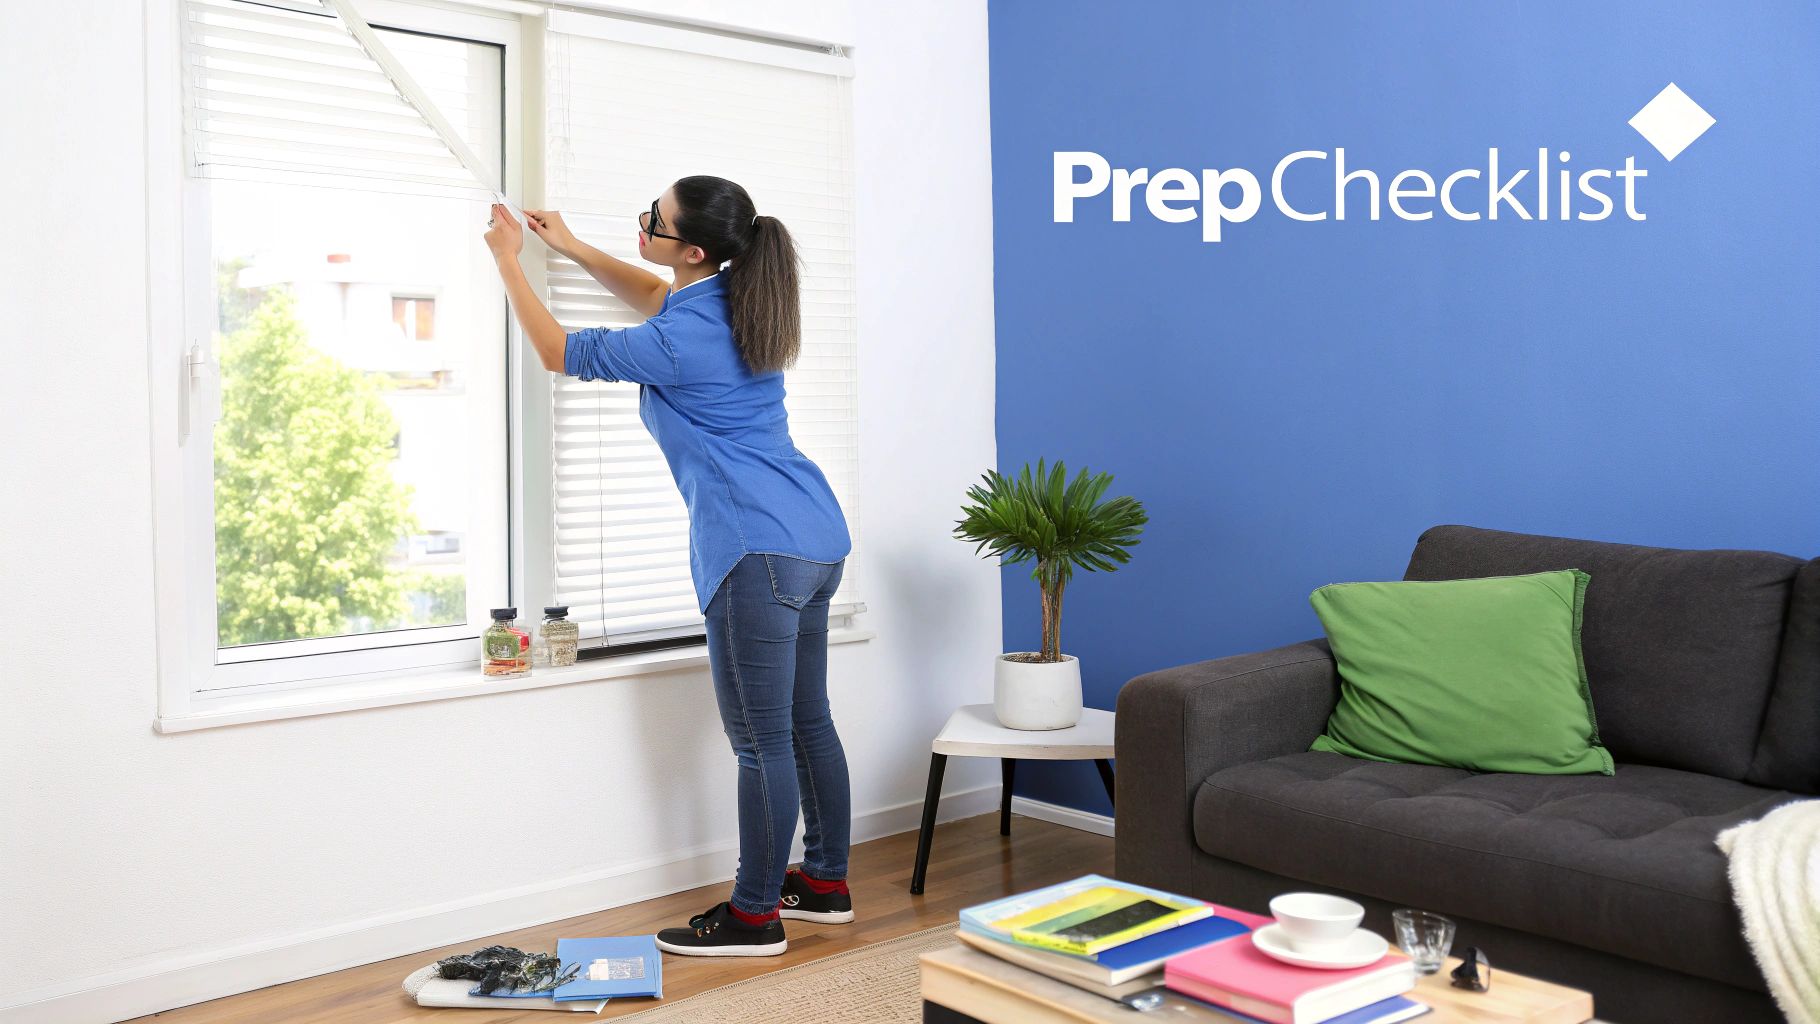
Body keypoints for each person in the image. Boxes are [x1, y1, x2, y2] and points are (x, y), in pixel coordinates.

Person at [483, 177, 854, 957]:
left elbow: (556, 350)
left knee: (763, 744)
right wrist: (574, 246)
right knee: (805, 720)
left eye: (654, 218)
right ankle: (823, 882)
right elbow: (654, 290)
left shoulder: (680, 337)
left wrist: (510, 261)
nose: (642, 221)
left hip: (756, 548)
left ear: (692, 248)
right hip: (815, 536)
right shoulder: (731, 301)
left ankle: (755, 917)